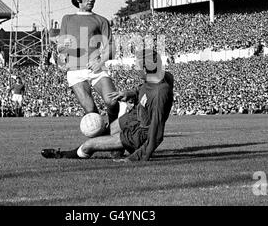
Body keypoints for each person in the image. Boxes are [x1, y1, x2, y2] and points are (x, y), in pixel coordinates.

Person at [41, 49, 174, 162]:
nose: (135, 68)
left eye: (137, 65)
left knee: (89, 145)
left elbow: (156, 135)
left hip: (139, 133)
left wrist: (135, 158)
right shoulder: (158, 76)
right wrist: (130, 93)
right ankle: (117, 147)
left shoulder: (159, 94)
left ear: (145, 69)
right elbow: (144, 90)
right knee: (104, 133)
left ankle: (61, 155)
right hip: (134, 118)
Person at [57, 0, 120, 129]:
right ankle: (106, 140)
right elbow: (60, 47)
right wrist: (63, 47)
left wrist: (100, 61)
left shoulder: (101, 20)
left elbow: (111, 47)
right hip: (75, 71)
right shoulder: (67, 19)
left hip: (97, 69)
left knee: (112, 101)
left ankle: (114, 128)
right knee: (91, 112)